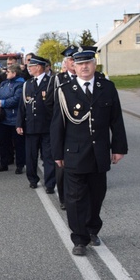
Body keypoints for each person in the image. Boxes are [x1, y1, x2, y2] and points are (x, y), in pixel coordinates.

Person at [51, 49, 128, 256]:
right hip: (74, 153)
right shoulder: (64, 90)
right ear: (73, 67)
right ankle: (79, 238)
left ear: (95, 65)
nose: (84, 67)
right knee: (75, 199)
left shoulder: (107, 88)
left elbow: (116, 120)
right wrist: (57, 153)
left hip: (99, 152)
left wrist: (119, 148)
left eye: (88, 63)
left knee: (97, 195)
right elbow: (57, 124)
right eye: (80, 64)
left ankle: (93, 228)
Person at [16, 55, 56, 192]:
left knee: (48, 156)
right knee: (31, 156)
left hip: (47, 126)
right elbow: (22, 105)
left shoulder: (51, 82)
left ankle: (50, 183)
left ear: (38, 67)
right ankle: (32, 179)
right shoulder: (27, 84)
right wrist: (19, 124)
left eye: (30, 66)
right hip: (31, 126)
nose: (29, 69)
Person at [53, 45, 79, 209]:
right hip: (63, 130)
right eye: (71, 59)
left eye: (75, 59)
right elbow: (51, 105)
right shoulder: (58, 80)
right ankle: (63, 198)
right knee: (62, 168)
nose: (73, 62)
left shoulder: (91, 79)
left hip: (82, 132)